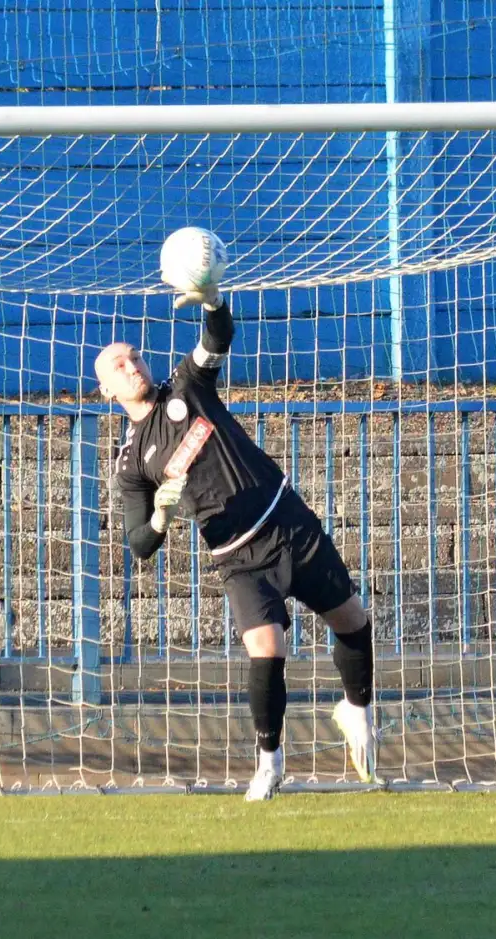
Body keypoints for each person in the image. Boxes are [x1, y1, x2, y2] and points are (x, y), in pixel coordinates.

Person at [96, 276, 377, 802]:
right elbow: (138, 542)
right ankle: (270, 764)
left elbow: (218, 336)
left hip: (288, 521)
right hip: (239, 555)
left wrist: (213, 300)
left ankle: (357, 711)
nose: (132, 366)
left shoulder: (187, 387)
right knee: (267, 650)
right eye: (118, 365)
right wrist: (161, 518)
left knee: (353, 621)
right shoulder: (132, 463)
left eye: (135, 357)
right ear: (106, 391)